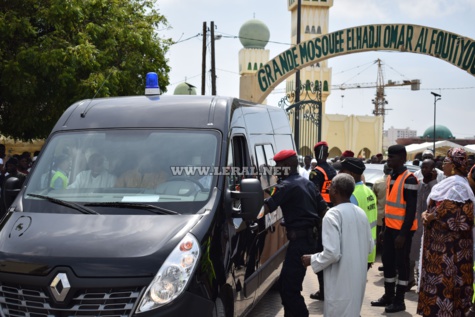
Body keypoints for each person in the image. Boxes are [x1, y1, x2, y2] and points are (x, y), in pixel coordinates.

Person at [263, 149, 327, 317]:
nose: (275, 168)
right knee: (288, 283)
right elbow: (323, 210)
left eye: (278, 165)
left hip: (299, 243)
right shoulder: (307, 183)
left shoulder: (285, 186)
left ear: (286, 166)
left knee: (289, 288)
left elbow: (266, 208)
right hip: (311, 239)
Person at [301, 173, 374, 317]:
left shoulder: (333, 214)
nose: (329, 190)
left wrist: (312, 259)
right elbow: (370, 247)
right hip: (356, 282)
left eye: (330, 187)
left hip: (340, 283)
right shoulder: (360, 213)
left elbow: (332, 253)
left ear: (335, 190)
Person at [417, 148, 474, 316]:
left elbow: (460, 218)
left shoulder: (459, 187)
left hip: (450, 253)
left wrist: (432, 217)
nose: (443, 165)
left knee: (447, 291)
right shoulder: (449, 183)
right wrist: (426, 214)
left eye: (446, 162)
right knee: (436, 290)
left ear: (454, 166)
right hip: (438, 252)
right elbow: (437, 208)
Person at [371, 144, 418, 313]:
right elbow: (389, 207)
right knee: (388, 263)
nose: (389, 159)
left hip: (402, 232)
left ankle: (399, 301)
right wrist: (384, 229)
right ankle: (388, 296)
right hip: (390, 229)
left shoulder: (410, 179)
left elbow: (411, 210)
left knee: (402, 265)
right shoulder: (391, 176)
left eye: (392, 157)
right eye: (388, 156)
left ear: (402, 158)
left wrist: (403, 235)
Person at [309, 141, 337, 301]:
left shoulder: (315, 173)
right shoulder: (333, 170)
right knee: (331, 252)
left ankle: (323, 291)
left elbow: (314, 196)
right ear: (327, 154)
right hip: (334, 212)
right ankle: (330, 290)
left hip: (321, 217)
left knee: (320, 253)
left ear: (315, 154)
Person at [339, 157, 378, 270]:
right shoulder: (368, 191)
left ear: (351, 173)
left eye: (343, 170)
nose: (340, 173)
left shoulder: (352, 195)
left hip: (356, 252)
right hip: (368, 249)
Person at [407, 158, 438, 292]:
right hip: (414, 226)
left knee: (425, 258)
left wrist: (432, 182)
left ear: (433, 170)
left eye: (427, 168)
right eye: (423, 167)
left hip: (428, 227)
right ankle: (409, 280)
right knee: (410, 256)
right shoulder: (417, 183)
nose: (424, 170)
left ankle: (423, 282)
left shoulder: (437, 186)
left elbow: (436, 200)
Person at [372, 163, 391, 260]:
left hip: (379, 216)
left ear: (384, 170)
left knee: (380, 239)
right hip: (393, 217)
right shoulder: (395, 182)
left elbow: (374, 199)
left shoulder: (377, 183)